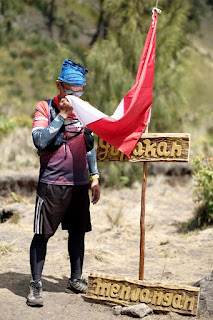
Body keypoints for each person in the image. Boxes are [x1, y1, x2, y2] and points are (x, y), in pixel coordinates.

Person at [27, 59, 100, 307]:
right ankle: (36, 285)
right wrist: (63, 115)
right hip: (51, 184)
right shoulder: (44, 108)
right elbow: (40, 140)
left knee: (78, 232)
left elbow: (90, 145)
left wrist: (95, 177)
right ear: (59, 85)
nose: (75, 95)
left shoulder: (85, 108)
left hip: (79, 184)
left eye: (80, 90)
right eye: (71, 90)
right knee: (42, 234)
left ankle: (75, 279)